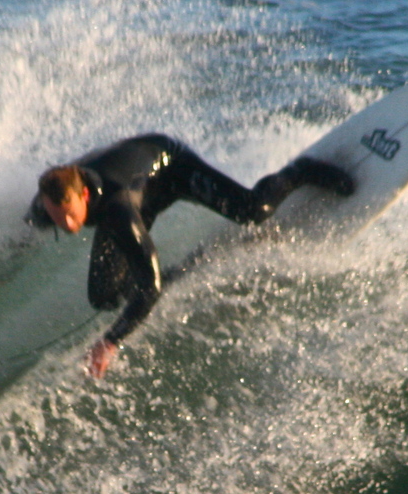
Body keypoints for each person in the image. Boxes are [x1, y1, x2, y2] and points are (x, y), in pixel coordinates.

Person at [26, 133, 356, 378]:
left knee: (253, 210)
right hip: (141, 189)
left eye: (71, 215)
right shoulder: (47, 203)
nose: (68, 226)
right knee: (104, 295)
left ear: (83, 194)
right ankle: (196, 263)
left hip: (171, 168)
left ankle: (301, 170)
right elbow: (29, 228)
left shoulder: (117, 208)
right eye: (58, 218)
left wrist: (111, 341)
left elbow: (150, 284)